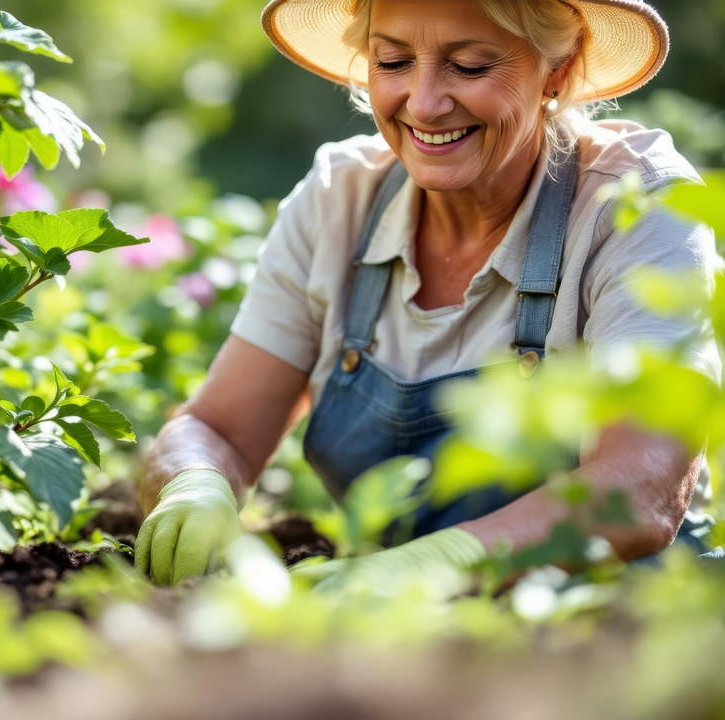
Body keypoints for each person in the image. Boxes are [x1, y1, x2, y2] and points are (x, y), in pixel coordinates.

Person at [133, 0, 721, 590]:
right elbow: (218, 429)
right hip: (401, 643)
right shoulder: (340, 198)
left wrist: (432, 567)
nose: (424, 102)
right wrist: (196, 483)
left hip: (612, 624)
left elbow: (639, 489)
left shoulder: (636, 209)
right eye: (393, 61)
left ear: (558, 70)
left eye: (468, 67)